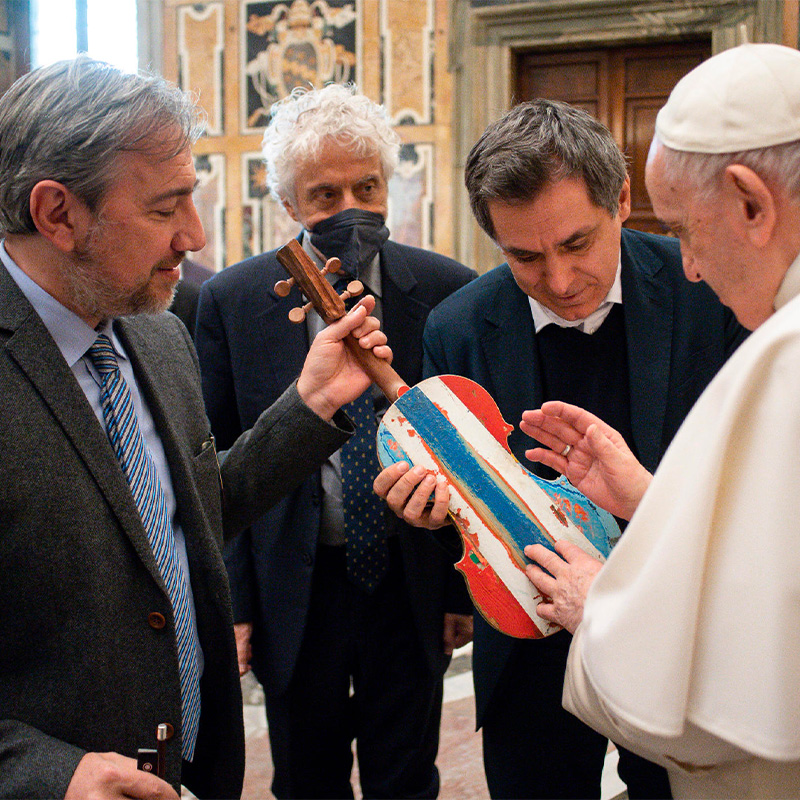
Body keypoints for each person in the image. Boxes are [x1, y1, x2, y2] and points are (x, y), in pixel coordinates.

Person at [0, 57, 392, 800]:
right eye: (163, 208)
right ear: (58, 214)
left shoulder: (158, 335)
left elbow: (187, 518)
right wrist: (48, 773)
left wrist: (307, 407)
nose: (195, 235)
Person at [374, 99, 747, 799]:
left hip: (682, 634)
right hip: (531, 640)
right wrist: (428, 511)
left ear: (623, 200)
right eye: (524, 256)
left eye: (578, 244)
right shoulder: (458, 327)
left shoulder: (711, 290)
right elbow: (460, 505)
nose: (560, 280)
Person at [519, 43, 800, 799]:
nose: (689, 269)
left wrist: (599, 605)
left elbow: (758, 679)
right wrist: (650, 499)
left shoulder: (789, 356)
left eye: (683, 230)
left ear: (751, 203)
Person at [194, 83, 476, 800]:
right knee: (306, 776)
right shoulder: (230, 302)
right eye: (324, 195)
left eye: (367, 185)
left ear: (391, 184)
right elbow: (216, 460)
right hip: (295, 586)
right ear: (289, 205)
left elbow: (465, 449)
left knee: (406, 774)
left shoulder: (448, 291)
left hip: (408, 579)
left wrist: (459, 585)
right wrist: (237, 606)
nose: (350, 207)